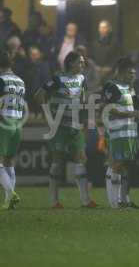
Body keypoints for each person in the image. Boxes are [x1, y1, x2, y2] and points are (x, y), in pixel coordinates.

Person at [35, 51, 96, 209]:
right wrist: (48, 115)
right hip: (59, 128)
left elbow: (81, 100)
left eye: (83, 62)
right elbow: (39, 95)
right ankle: (54, 201)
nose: (83, 65)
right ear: (70, 64)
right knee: (57, 162)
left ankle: (85, 200)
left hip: (75, 126)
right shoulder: (58, 79)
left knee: (81, 160)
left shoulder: (82, 79)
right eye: (80, 62)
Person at [102, 57, 139, 208]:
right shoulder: (111, 86)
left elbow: (135, 108)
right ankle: (114, 202)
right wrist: (132, 115)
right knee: (116, 165)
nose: (133, 76)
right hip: (117, 132)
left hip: (130, 133)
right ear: (122, 72)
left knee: (124, 166)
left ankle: (123, 200)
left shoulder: (130, 88)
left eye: (134, 73)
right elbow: (110, 109)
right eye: (131, 73)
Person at [0, 50, 25, 210]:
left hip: (4, 121)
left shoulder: (0, 80)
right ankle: (9, 201)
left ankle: (11, 194)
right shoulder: (20, 81)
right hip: (17, 122)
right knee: (9, 162)